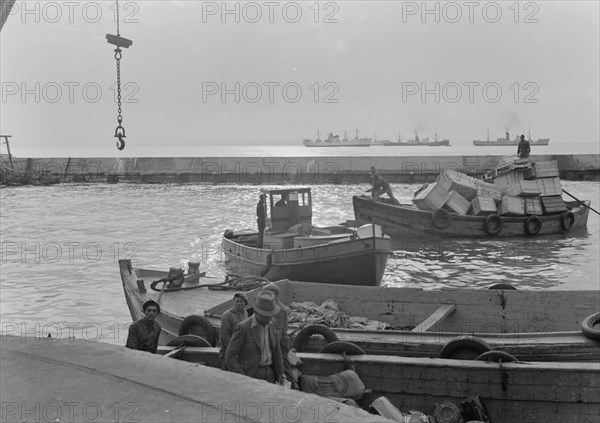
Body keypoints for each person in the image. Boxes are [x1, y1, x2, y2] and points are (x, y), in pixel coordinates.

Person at [225, 291, 286, 384]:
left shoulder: (272, 325)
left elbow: (277, 350)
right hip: (252, 375)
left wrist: (281, 373)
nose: (268, 319)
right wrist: (243, 378)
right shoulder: (243, 328)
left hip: (271, 375)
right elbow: (230, 356)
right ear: (256, 312)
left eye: (270, 315)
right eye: (265, 316)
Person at [262, 282, 294, 387]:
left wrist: (278, 347)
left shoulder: (281, 310)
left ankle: (293, 386)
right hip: (268, 341)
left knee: (284, 367)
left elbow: (280, 332)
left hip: (279, 342)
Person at [219, 292, 249, 369]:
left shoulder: (246, 313)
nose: (239, 303)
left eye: (241, 301)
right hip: (228, 351)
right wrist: (233, 351)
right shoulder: (227, 315)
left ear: (245, 302)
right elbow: (225, 337)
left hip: (241, 351)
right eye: (237, 301)